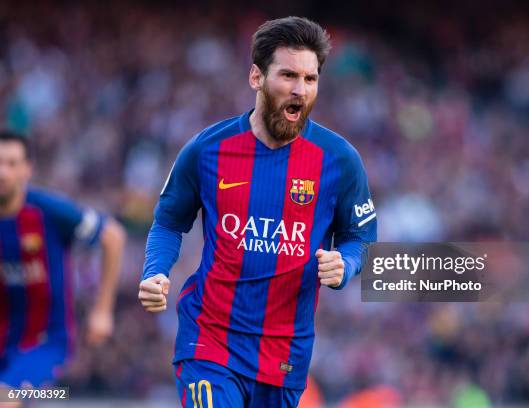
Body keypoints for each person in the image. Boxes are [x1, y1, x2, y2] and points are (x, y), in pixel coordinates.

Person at [139, 16, 377, 408]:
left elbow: (363, 239)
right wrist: (155, 272)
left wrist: (346, 262)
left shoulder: (340, 160)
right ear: (256, 77)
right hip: (209, 341)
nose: (300, 90)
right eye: (288, 76)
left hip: (285, 356)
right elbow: (168, 222)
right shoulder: (206, 149)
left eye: (310, 79)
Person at [0, 130, 125, 390]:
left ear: (27, 169)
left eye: (11, 164)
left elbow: (112, 236)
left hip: (45, 342)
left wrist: (102, 310)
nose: (3, 173)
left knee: (6, 397)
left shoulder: (48, 211)